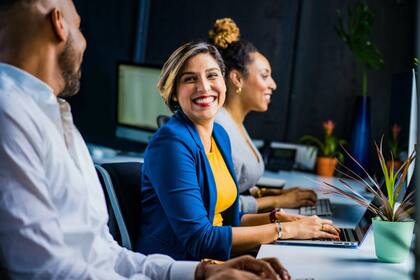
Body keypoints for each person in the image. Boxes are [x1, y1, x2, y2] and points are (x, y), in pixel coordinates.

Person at [0, 1, 290, 279]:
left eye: (212, 76)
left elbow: (106, 254)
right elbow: (44, 272)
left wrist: (201, 273)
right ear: (59, 24)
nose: (85, 41)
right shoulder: (10, 113)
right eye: (79, 26)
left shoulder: (57, 118)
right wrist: (280, 230)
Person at [137, 41, 340, 262]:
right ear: (174, 93)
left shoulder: (220, 135)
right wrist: (285, 230)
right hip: (178, 266)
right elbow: (200, 239)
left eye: (212, 75)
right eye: (190, 79)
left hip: (216, 262)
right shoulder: (171, 143)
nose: (204, 87)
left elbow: (228, 221)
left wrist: (282, 219)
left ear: (224, 83)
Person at [210, 18, 318, 214]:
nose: (273, 85)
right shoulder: (219, 128)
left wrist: (270, 194)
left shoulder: (235, 123)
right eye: (265, 75)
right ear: (237, 78)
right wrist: (278, 201)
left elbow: (237, 188)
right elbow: (221, 208)